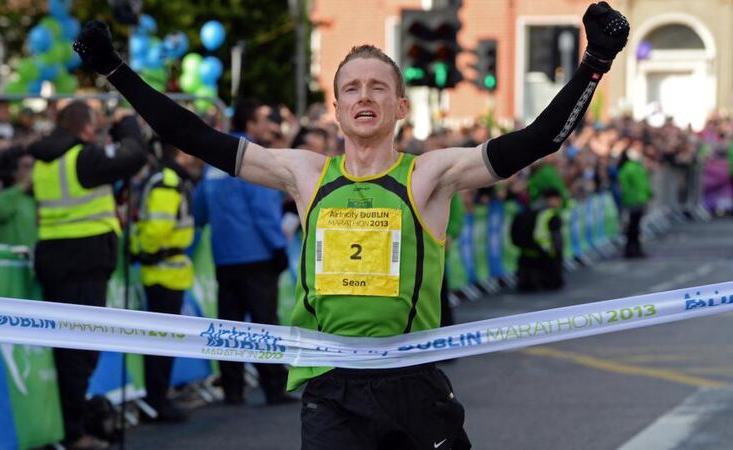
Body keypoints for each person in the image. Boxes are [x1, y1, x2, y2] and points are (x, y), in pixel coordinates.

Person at [74, 3, 627, 447]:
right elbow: (192, 136)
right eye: (352, 89)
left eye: (378, 87)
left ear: (400, 107)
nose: (365, 96)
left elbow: (538, 141)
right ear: (336, 109)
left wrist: (595, 62)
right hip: (332, 390)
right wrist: (116, 71)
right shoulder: (305, 174)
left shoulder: (429, 176)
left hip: (413, 382)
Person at [30, 101, 147, 450]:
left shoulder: (46, 159)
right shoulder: (82, 157)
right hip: (83, 260)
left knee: (71, 349)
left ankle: (72, 426)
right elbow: (134, 156)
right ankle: (74, 432)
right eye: (94, 125)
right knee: (79, 351)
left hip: (58, 257)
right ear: (85, 127)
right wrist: (128, 124)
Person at [193, 100, 293, 406]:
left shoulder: (213, 161)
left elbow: (200, 210)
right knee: (264, 324)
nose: (268, 125)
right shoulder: (252, 157)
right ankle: (273, 387)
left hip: (224, 256)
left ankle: (232, 389)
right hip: (257, 255)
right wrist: (278, 246)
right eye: (263, 119)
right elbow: (263, 209)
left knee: (229, 327)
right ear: (250, 124)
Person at [133, 143, 194, 422]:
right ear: (181, 152)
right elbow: (159, 226)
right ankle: (157, 402)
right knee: (162, 341)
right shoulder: (168, 180)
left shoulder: (167, 178)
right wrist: (148, 250)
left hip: (165, 270)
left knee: (163, 339)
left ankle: (158, 399)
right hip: (163, 271)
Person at [511, 188, 565, 291]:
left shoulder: (527, 211)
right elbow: (555, 238)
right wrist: (557, 253)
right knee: (553, 284)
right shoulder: (549, 214)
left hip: (526, 252)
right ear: (551, 199)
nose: (560, 202)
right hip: (545, 252)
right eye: (558, 199)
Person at [0, 154, 37, 247]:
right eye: (26, 166)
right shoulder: (2, 196)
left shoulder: (38, 196)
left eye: (34, 166)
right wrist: (23, 186)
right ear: (14, 171)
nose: (32, 170)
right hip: (11, 254)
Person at [617, 140, 652, 258]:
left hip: (639, 199)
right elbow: (624, 185)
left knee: (635, 226)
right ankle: (631, 249)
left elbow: (644, 183)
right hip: (633, 201)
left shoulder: (637, 166)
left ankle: (635, 249)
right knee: (633, 227)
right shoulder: (629, 168)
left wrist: (648, 193)